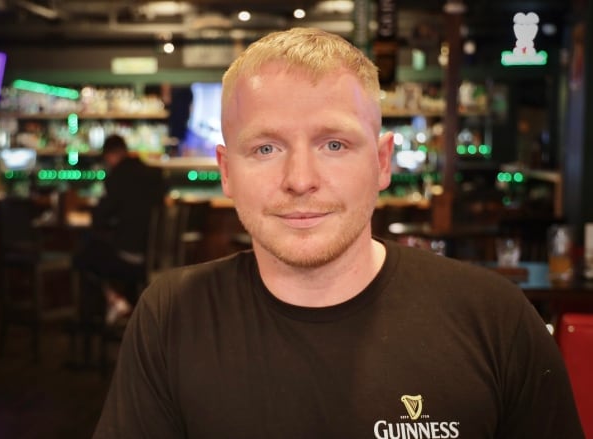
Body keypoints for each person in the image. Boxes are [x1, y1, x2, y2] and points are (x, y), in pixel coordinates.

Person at [92, 28, 584, 438]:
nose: (300, 179)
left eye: (333, 143)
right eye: (265, 149)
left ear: (382, 160)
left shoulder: (495, 318)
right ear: (226, 171)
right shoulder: (170, 317)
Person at [75, 134, 166, 325]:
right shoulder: (155, 175)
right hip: (157, 257)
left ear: (110, 156)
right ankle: (130, 307)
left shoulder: (117, 176)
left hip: (130, 257)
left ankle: (110, 305)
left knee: (83, 254)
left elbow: (99, 218)